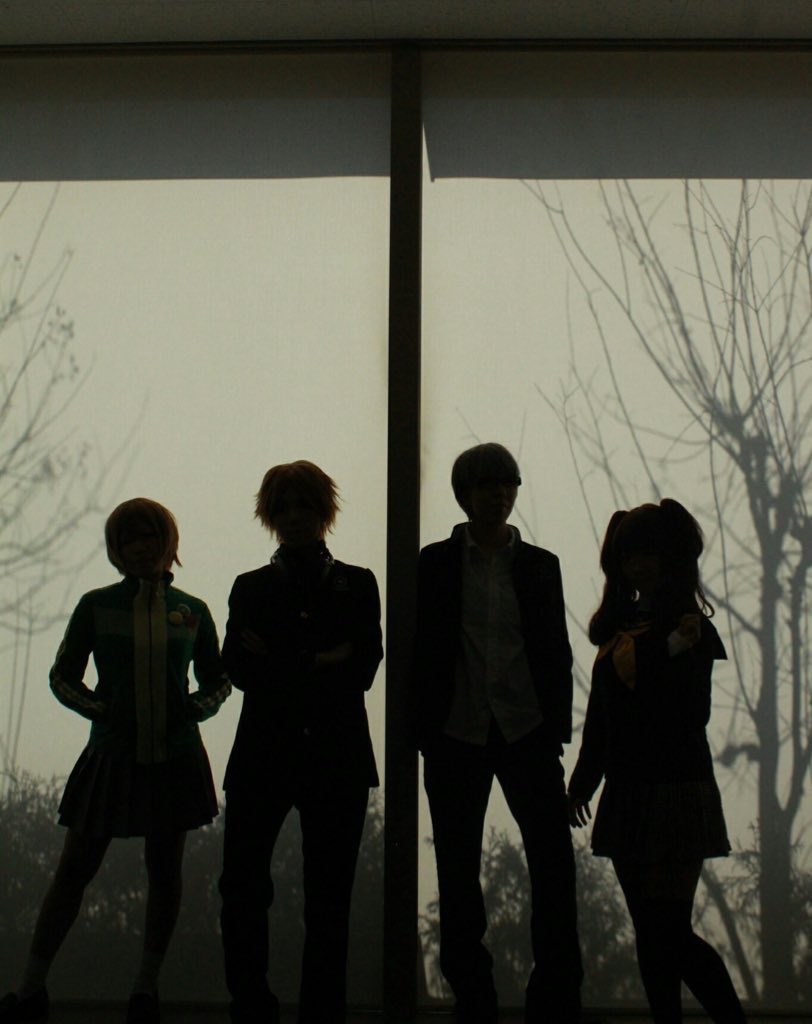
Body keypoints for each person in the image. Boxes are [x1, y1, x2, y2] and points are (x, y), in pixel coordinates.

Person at [0, 498, 231, 1024]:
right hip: (110, 756)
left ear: (168, 543)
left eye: (149, 537)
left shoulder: (192, 611)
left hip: (174, 758)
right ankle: (31, 988)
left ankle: (145, 990)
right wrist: (101, 710)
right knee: (73, 870)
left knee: (165, 872)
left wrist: (195, 708)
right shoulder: (96, 606)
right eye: (128, 540)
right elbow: (63, 676)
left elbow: (218, 679)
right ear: (116, 550)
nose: (140, 548)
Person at [413, 442, 582, 1024]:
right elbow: (420, 648)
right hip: (456, 731)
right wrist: (424, 730)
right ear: (464, 494)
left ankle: (554, 998)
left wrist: (556, 730)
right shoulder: (434, 563)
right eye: (487, 485)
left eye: (507, 484)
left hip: (525, 729)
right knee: (458, 870)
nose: (499, 495)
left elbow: (554, 651)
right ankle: (474, 997)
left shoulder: (540, 565)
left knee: (553, 866)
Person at [568, 499, 746, 1024]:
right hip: (627, 792)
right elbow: (601, 722)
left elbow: (691, 713)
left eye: (647, 553)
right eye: (629, 555)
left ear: (669, 557)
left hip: (676, 788)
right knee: (651, 932)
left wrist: (658, 653)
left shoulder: (690, 630)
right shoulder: (623, 633)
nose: (638, 565)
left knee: (668, 930)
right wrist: (581, 784)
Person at [218, 460, 382, 1024]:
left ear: (323, 512)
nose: (293, 518)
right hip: (279, 756)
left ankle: (310, 1010)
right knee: (244, 887)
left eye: (304, 507)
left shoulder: (357, 583)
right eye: (283, 508)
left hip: (318, 756)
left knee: (327, 897)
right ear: (270, 515)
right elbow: (239, 667)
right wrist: (323, 657)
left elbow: (364, 666)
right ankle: (254, 1004)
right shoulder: (252, 587)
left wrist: (281, 657)